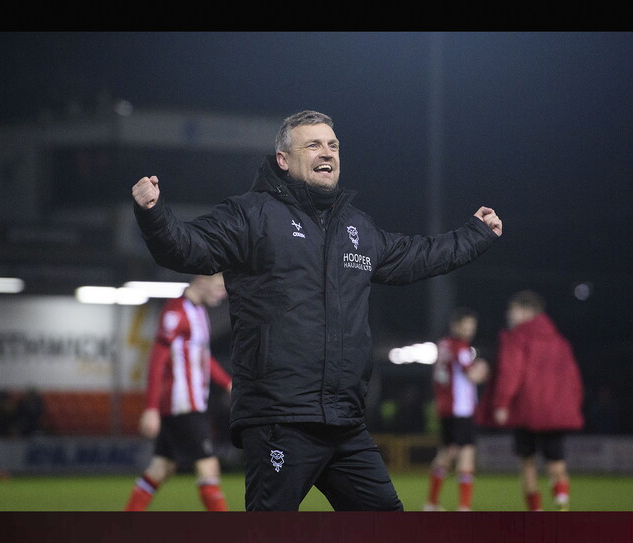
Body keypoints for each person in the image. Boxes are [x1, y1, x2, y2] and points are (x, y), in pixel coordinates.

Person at [131, 110, 503, 511]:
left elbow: (418, 256)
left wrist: (474, 235)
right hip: (279, 420)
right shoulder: (251, 215)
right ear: (284, 160)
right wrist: (154, 215)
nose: (327, 152)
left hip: (345, 421)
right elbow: (187, 246)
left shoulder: (355, 227)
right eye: (313, 144)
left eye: (333, 145)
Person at [124, 273, 233, 512]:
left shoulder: (200, 312)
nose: (222, 293)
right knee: (209, 467)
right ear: (201, 280)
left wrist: (227, 383)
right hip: (183, 404)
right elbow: (156, 361)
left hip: (190, 404)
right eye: (218, 286)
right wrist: (151, 408)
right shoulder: (175, 312)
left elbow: (203, 358)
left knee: (161, 467)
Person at [476, 290, 583, 511]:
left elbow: (511, 372)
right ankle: (562, 500)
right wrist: (572, 405)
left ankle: (535, 511)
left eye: (513, 310)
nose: (509, 315)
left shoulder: (517, 337)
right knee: (556, 462)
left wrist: (502, 403)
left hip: (526, 410)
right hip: (556, 412)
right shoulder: (560, 341)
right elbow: (573, 379)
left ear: (526, 312)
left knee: (527, 462)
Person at [424, 307, 489, 512]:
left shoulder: (443, 345)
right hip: (460, 409)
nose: (470, 330)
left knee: (445, 453)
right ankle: (464, 507)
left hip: (445, 407)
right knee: (466, 454)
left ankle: (431, 503)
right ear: (456, 326)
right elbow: (472, 376)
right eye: (466, 326)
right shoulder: (460, 348)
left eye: (472, 326)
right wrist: (483, 369)